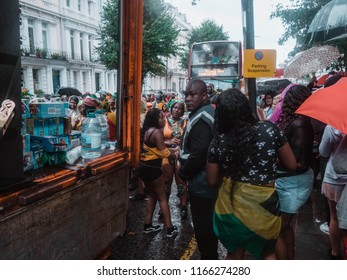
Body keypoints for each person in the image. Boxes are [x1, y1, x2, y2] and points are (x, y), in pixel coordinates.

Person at [206, 88, 296, 260]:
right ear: (247, 108)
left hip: (230, 205)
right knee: (268, 251)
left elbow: (211, 180)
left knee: (234, 252)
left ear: (221, 114)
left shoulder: (219, 140)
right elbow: (291, 164)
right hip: (264, 204)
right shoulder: (269, 130)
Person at [178, 79, 218, 259]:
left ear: (204, 95)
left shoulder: (203, 117)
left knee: (204, 229)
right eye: (186, 94)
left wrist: (183, 173)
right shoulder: (202, 112)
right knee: (205, 227)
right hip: (202, 183)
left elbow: (199, 154)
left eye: (192, 94)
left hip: (202, 185)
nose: (187, 98)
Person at [274, 84, 314, 259]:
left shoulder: (300, 125)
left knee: (276, 231)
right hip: (287, 180)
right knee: (284, 226)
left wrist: (274, 158)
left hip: (293, 182)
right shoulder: (295, 121)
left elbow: (299, 163)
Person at [139, 108, 178, 237]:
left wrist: (170, 148)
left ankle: (148, 225)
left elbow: (156, 149)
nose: (164, 119)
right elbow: (164, 152)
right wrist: (176, 153)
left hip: (144, 168)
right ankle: (169, 228)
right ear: (155, 119)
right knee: (162, 198)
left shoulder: (147, 131)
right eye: (161, 117)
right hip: (153, 169)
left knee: (152, 195)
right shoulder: (157, 132)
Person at [319, 125, 347, 259]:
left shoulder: (332, 127)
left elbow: (323, 152)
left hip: (334, 178)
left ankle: (335, 251)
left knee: (334, 216)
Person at [162, 101, 188, 219]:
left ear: (183, 112)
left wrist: (180, 147)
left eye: (179, 109)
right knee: (166, 182)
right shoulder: (164, 122)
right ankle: (164, 208)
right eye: (175, 108)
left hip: (180, 155)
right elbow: (157, 138)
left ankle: (183, 207)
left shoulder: (186, 123)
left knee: (181, 181)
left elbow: (190, 140)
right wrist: (168, 142)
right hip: (166, 155)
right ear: (171, 109)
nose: (176, 110)